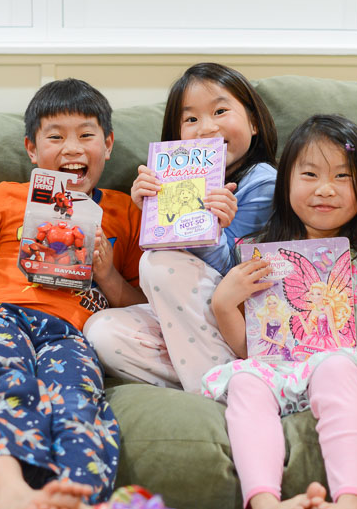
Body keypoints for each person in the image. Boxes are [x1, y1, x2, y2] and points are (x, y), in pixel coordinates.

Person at [0, 78, 146, 509]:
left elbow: (143, 305)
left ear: (108, 144)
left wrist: (106, 274)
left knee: (78, 401)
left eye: (86, 135)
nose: (72, 149)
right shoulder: (7, 197)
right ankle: (8, 493)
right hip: (0, 317)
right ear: (32, 149)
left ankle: (76, 496)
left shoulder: (125, 209)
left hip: (72, 333)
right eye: (55, 137)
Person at [202, 115, 357, 509]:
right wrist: (224, 302)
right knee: (245, 383)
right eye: (309, 174)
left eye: (343, 176)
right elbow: (251, 351)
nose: (325, 189)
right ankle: (266, 503)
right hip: (278, 369)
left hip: (343, 366)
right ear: (285, 181)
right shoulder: (259, 251)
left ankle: (352, 501)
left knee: (334, 366)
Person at [86, 62, 278, 393]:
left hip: (240, 316)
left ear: (254, 122)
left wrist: (211, 228)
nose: (206, 128)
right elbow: (164, 285)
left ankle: (227, 393)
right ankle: (218, 376)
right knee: (100, 331)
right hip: (192, 323)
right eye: (191, 119)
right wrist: (149, 211)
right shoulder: (172, 177)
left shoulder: (263, 181)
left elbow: (235, 273)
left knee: (158, 265)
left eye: (220, 111)